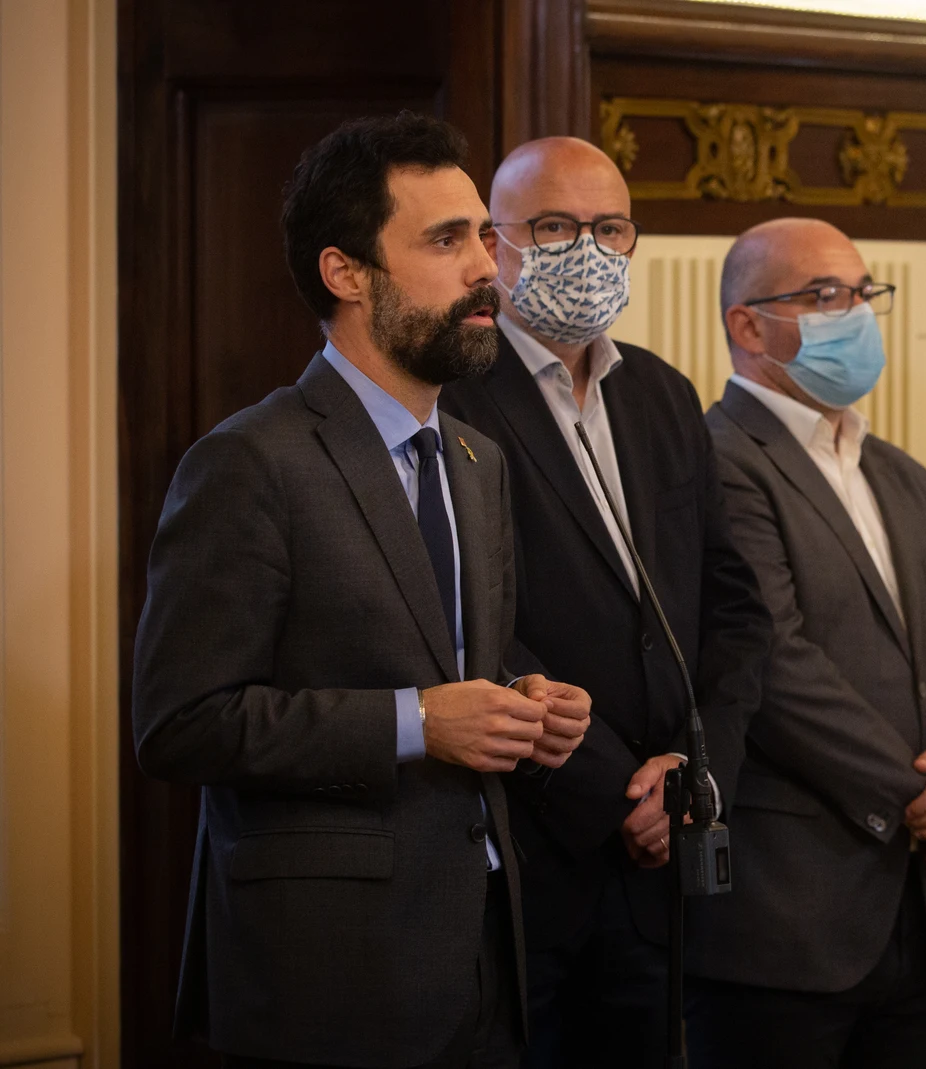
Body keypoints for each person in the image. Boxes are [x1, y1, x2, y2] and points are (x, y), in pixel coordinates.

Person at [131, 112, 593, 1069]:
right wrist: (418, 722)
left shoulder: (478, 459)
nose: (486, 269)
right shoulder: (247, 462)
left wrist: (526, 709)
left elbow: (451, 660)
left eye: (483, 236)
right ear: (346, 274)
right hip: (327, 979)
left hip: (483, 961)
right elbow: (182, 723)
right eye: (445, 239)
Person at [436, 137, 772, 1068]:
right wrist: (612, 787)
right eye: (553, 226)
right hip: (533, 849)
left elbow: (737, 610)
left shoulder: (662, 392)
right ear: (494, 245)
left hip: (664, 860)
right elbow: (466, 623)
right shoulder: (451, 396)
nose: (587, 249)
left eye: (609, 227)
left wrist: (692, 777)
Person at [689, 217, 926, 1069]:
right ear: (747, 324)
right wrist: (920, 792)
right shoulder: (717, 459)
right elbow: (773, 658)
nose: (854, 314)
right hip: (789, 914)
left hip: (925, 909)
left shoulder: (899, 472)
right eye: (824, 295)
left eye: (863, 293)